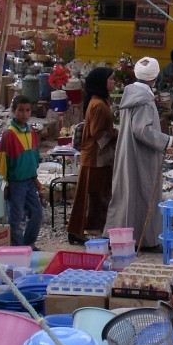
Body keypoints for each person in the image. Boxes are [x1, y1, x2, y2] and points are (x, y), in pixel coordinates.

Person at [105, 57, 173, 251]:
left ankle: (123, 237)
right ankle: (147, 240)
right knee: (146, 194)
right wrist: (167, 141)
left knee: (128, 194)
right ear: (155, 77)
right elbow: (141, 130)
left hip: (129, 152)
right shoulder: (144, 100)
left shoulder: (131, 94)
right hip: (142, 155)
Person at [67, 67, 117, 245]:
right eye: (110, 79)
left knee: (92, 195)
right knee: (90, 195)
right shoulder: (99, 105)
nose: (113, 82)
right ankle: (79, 230)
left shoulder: (99, 101)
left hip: (95, 156)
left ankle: (82, 229)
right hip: (95, 157)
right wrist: (115, 134)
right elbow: (96, 132)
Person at [0, 95, 43, 248]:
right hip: (15, 182)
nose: (24, 114)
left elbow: (33, 157)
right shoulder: (9, 134)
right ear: (14, 111)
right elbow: (1, 161)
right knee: (15, 218)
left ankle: (28, 244)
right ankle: (17, 247)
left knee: (36, 213)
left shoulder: (31, 132)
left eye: (28, 110)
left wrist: (36, 179)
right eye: (20, 110)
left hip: (29, 181)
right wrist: (5, 183)